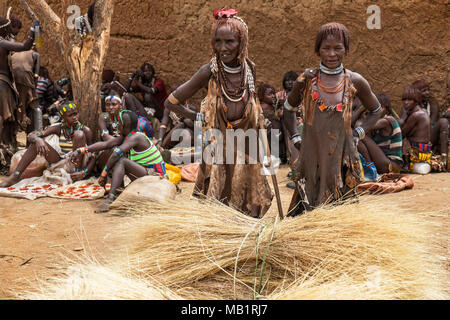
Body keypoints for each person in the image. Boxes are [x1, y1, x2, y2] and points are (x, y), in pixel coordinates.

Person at [164, 8, 273, 218]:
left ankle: (244, 232)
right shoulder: (209, 71)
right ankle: (223, 232)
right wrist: (199, 117)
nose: (223, 48)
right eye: (218, 41)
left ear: (242, 42)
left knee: (249, 192)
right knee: (221, 191)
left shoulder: (249, 68)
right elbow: (171, 102)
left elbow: (251, 101)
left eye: (229, 41)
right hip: (220, 141)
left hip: (246, 140)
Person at [283, 22, 382, 216]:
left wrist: (357, 134)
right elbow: (288, 108)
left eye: (338, 48)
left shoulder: (354, 80)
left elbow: (376, 110)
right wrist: (296, 138)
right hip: (312, 153)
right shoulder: (307, 80)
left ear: (346, 50)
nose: (331, 54)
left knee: (341, 211)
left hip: (341, 155)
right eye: (325, 48)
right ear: (317, 50)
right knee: (307, 207)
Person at [73, 110, 166, 212]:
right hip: (145, 173)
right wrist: (80, 150)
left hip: (155, 176)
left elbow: (115, 155)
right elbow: (105, 145)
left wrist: (103, 175)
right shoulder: (126, 136)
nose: (116, 125)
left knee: (121, 160)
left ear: (125, 125)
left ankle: (110, 200)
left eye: (119, 123)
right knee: (118, 159)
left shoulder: (137, 137)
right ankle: (117, 191)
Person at [0, 101, 93, 187]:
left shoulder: (85, 130)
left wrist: (85, 172)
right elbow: (32, 135)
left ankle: (76, 174)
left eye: (76, 114)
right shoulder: (59, 128)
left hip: (77, 165)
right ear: (63, 117)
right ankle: (15, 177)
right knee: (35, 144)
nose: (74, 117)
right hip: (62, 161)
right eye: (70, 115)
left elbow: (93, 154)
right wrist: (38, 139)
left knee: (79, 134)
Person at [0, 9, 35, 152]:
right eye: (8, 29)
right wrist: (33, 30)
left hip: (4, 83)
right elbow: (25, 46)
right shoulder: (2, 43)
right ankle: (3, 147)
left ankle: (7, 145)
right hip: (2, 83)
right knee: (2, 117)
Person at [357, 94, 403, 174]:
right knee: (358, 139)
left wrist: (360, 110)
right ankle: (370, 168)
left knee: (360, 134)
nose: (376, 111)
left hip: (391, 165)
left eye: (380, 108)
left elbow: (359, 126)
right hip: (384, 163)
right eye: (374, 108)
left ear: (386, 108)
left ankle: (370, 170)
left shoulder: (387, 121)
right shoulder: (378, 124)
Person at [412, 80, 448, 168]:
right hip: (414, 140)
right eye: (424, 91)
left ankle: (444, 157)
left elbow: (432, 123)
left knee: (443, 121)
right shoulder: (410, 105)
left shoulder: (432, 105)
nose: (427, 93)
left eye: (428, 90)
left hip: (428, 137)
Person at [398, 86, 432, 174]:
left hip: (417, 152)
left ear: (416, 101)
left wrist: (403, 118)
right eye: (404, 100)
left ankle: (405, 165)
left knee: (400, 139)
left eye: (409, 100)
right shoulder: (423, 111)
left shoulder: (415, 115)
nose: (406, 103)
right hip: (425, 151)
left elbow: (401, 135)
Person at [11, 43, 40, 134]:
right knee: (30, 100)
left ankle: (21, 117)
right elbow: (36, 73)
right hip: (26, 77)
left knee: (18, 100)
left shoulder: (14, 54)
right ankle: (24, 117)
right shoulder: (35, 54)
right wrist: (33, 87)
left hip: (12, 78)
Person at [258, 83, 285, 162]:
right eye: (269, 94)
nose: (273, 96)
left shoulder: (273, 106)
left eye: (273, 93)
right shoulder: (260, 107)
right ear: (261, 96)